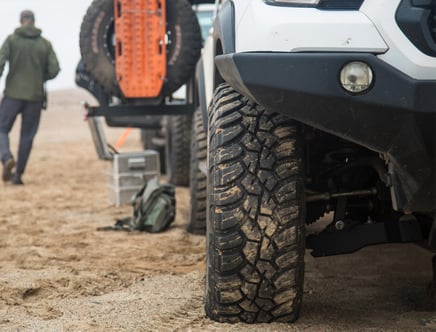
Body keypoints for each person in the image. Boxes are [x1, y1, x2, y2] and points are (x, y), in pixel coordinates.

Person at [0, 10, 60, 185]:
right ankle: (18, 175)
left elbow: (0, 62)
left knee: (1, 129)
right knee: (27, 136)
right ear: (34, 22)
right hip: (35, 96)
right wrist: (40, 77)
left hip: (13, 94)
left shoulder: (11, 40)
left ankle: (6, 157)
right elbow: (54, 69)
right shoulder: (44, 44)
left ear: (21, 21)